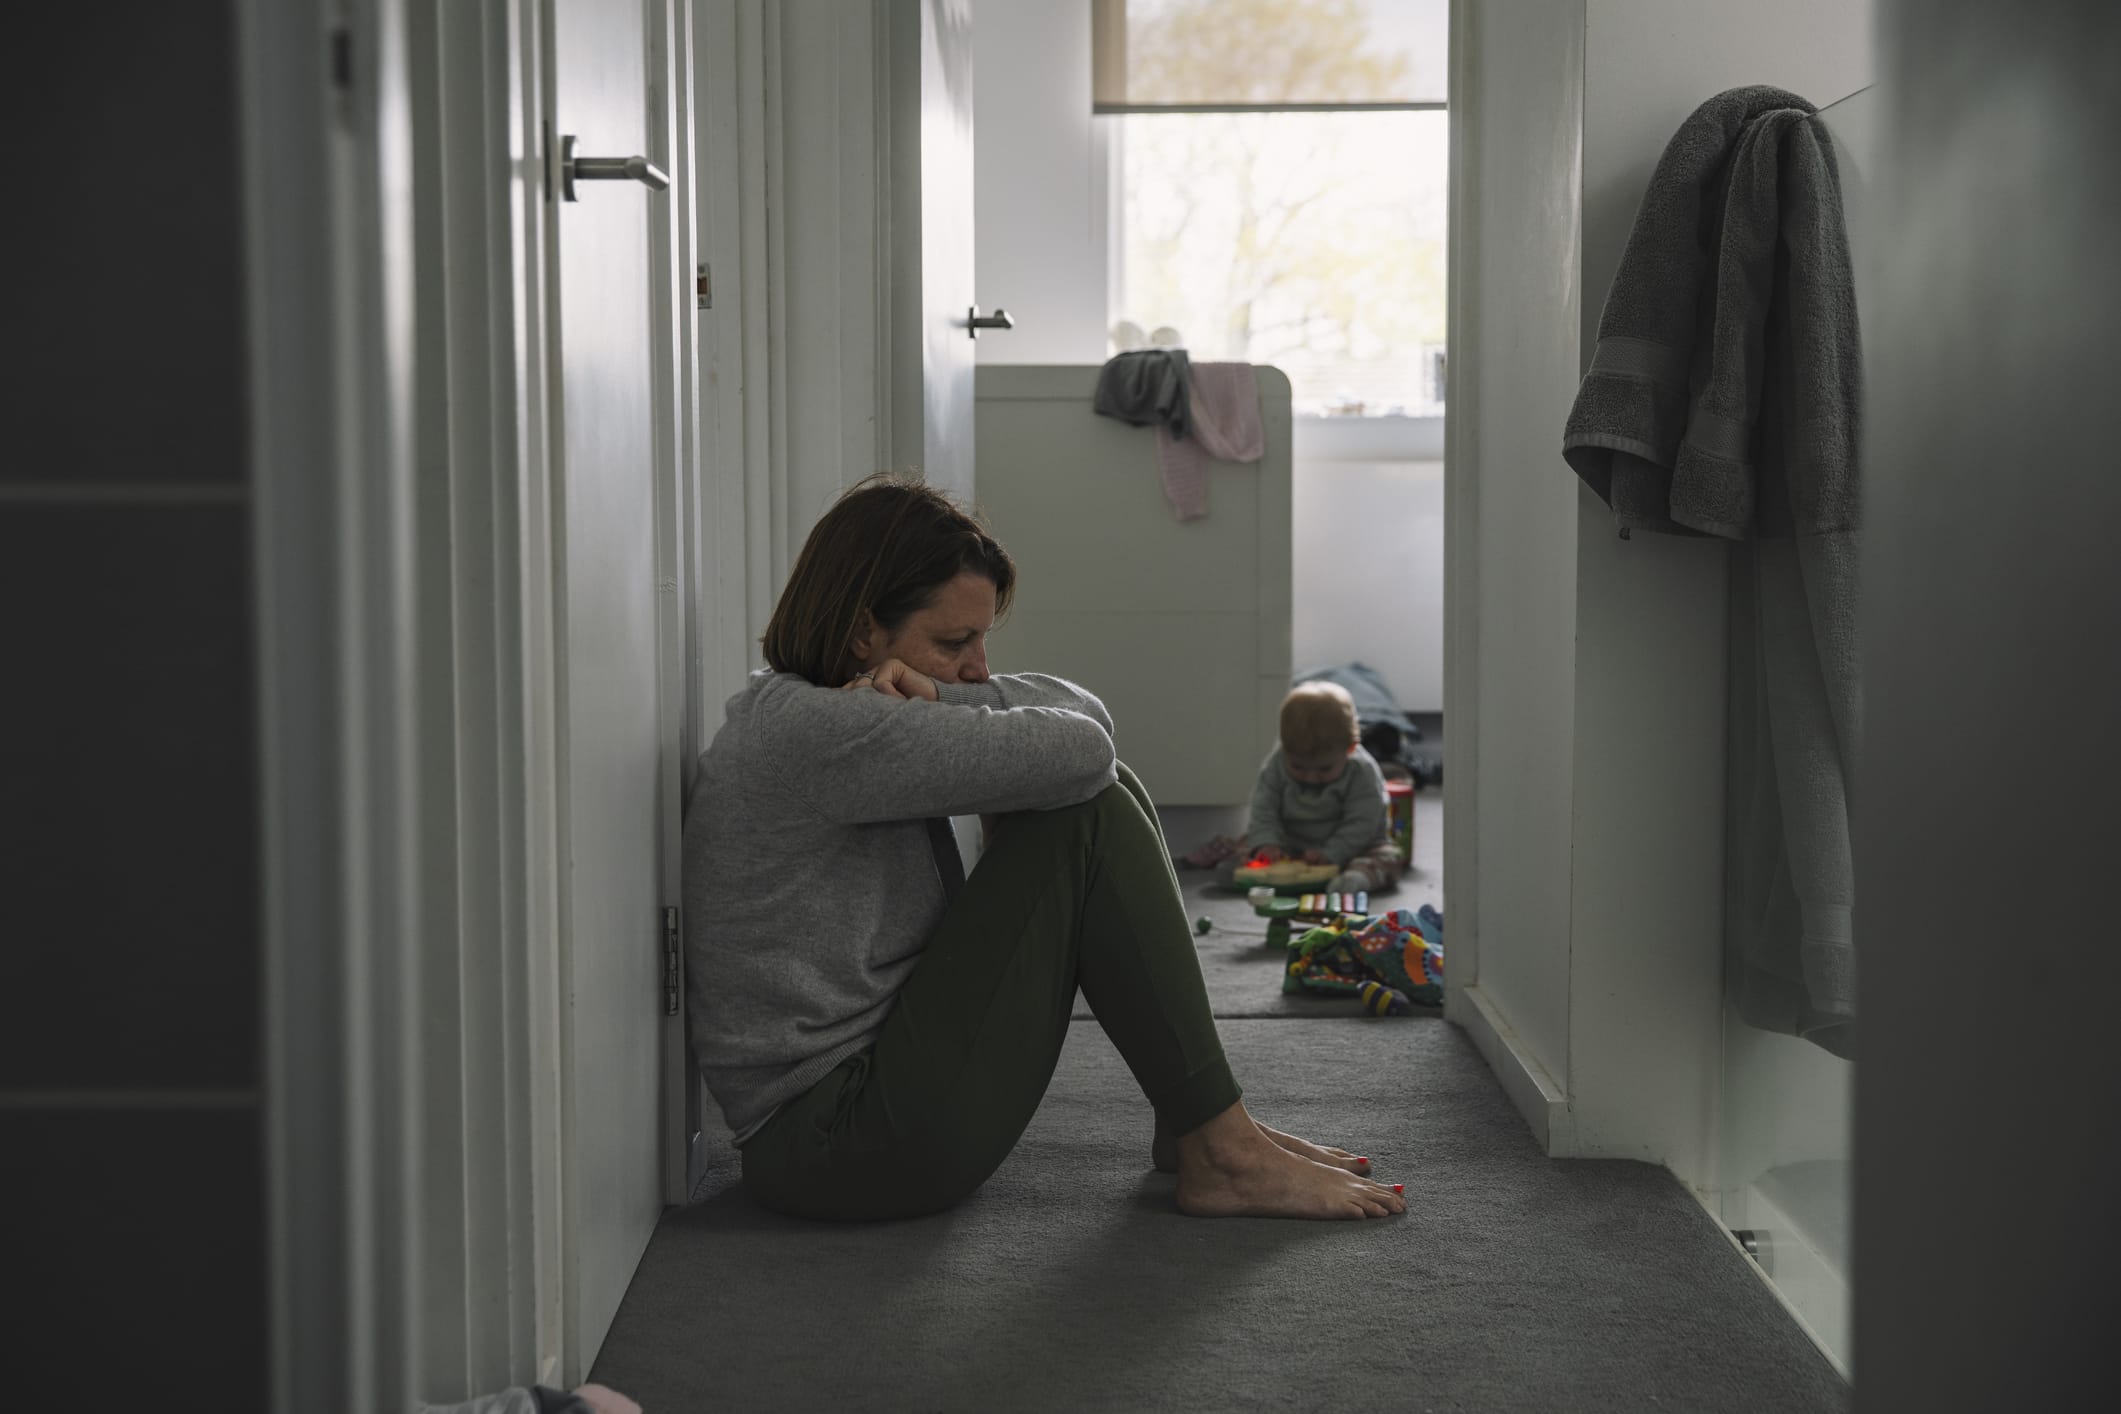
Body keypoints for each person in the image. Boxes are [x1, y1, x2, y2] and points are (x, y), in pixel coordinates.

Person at [683, 474, 1407, 1222]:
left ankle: (1202, 1125)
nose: (979, 668)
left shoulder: (817, 713)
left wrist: (941, 692)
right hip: (838, 1141)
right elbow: (1081, 749)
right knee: (1083, 813)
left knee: (1094, 789)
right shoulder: (824, 731)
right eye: (954, 642)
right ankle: (1218, 1146)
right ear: (865, 633)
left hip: (856, 1114)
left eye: (982, 640)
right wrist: (956, 707)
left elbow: (1087, 728)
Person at [1212, 682, 1406, 897]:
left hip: (1351, 848)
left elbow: (1362, 823)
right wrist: (1267, 843)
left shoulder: (1361, 772)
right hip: (1290, 844)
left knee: (1387, 857)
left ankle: (1355, 880)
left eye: (1324, 769)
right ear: (1285, 748)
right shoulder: (1276, 765)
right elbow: (1264, 807)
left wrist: (1333, 852)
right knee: (1249, 844)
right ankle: (1243, 872)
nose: (1311, 777)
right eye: (1297, 766)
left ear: (1349, 749)